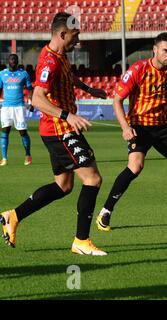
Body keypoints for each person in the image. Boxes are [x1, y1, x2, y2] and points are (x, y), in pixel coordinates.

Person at [0, 12, 108, 255]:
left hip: (57, 129)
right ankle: (81, 241)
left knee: (63, 185)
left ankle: (13, 216)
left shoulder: (60, 57)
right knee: (92, 179)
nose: (78, 39)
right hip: (60, 129)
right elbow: (37, 99)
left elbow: (69, 79)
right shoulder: (49, 61)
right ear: (62, 33)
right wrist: (68, 116)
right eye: (75, 34)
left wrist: (89, 89)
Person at [95, 32, 167, 232]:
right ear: (155, 49)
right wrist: (125, 127)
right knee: (135, 166)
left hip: (166, 127)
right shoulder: (138, 69)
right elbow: (117, 100)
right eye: (165, 50)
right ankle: (106, 211)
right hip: (140, 126)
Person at [0, 54, 34, 166]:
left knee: (22, 132)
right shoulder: (2, 74)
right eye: (11, 59)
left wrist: (31, 102)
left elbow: (29, 89)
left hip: (19, 106)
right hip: (6, 107)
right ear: (8, 61)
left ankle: (28, 155)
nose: (13, 61)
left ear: (17, 61)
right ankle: (4, 158)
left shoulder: (23, 74)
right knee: (5, 131)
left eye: (15, 59)